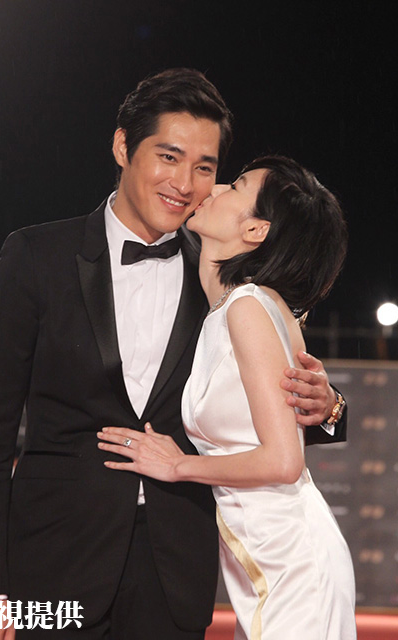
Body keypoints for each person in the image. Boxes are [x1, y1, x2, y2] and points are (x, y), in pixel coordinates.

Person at [0, 69, 347, 640]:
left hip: (173, 573)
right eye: (168, 156)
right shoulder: (35, 257)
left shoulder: (222, 278)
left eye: (206, 168)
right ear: (122, 147)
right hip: (52, 564)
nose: (185, 183)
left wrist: (330, 408)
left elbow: (260, 417)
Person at [98, 156, 356, 639]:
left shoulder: (248, 305)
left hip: (291, 563)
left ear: (256, 230)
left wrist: (178, 466)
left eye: (235, 185)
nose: (214, 187)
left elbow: (284, 461)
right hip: (262, 561)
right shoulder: (244, 303)